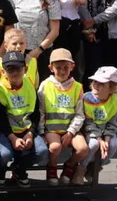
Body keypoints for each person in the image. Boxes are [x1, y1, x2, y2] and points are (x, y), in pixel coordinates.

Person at [0, 50, 48, 187]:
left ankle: (19, 168)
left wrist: (30, 133)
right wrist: (13, 138)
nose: (15, 72)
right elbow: (0, 119)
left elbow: (35, 114)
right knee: (5, 154)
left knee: (42, 152)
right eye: (10, 69)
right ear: (3, 72)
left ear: (25, 69)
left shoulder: (30, 84)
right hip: (7, 131)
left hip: (26, 129)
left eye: (18, 68)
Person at [36, 48, 87, 186]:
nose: (62, 71)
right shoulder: (45, 85)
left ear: (72, 67)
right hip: (52, 129)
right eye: (58, 68)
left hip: (70, 129)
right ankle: (52, 167)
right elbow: (41, 111)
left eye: (66, 67)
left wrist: (71, 132)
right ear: (51, 68)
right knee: (55, 147)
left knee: (83, 149)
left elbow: (79, 114)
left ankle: (69, 165)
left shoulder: (77, 87)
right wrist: (41, 132)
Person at [11, 0, 61, 79]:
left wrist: (38, 50)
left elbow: (55, 31)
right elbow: (11, 26)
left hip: (42, 52)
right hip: (19, 50)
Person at [82, 66, 117, 181]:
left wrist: (107, 139)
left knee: (112, 146)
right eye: (95, 82)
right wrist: (99, 139)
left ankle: (95, 167)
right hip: (89, 130)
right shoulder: (87, 98)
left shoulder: (114, 100)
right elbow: (87, 123)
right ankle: (81, 167)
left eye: (102, 84)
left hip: (105, 131)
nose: (96, 85)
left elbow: (112, 122)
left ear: (111, 89)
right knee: (93, 144)